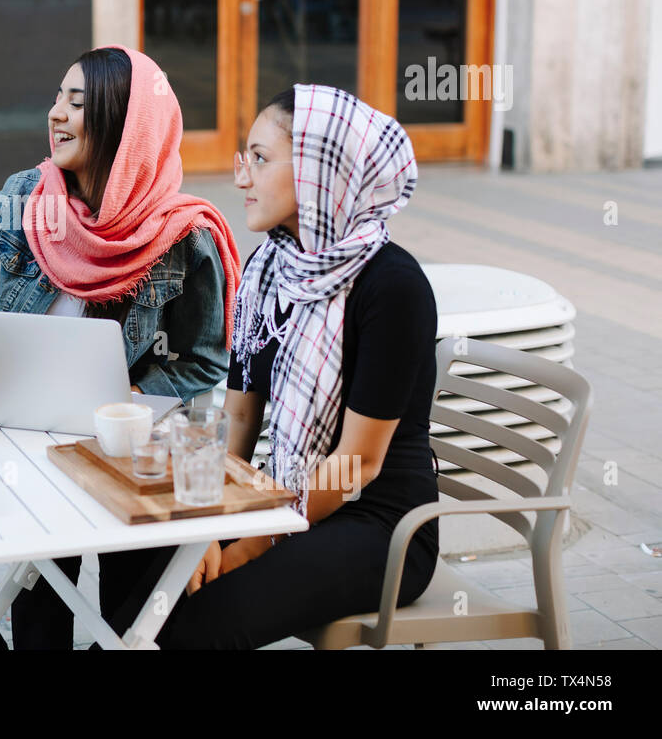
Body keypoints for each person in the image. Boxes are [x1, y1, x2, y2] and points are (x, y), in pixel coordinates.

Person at [0, 44, 242, 649]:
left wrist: (133, 396)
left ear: (124, 124)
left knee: (128, 614)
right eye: (56, 98)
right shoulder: (29, 195)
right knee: (40, 605)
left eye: (76, 103)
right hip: (25, 441)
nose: (56, 114)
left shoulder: (182, 232)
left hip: (125, 453)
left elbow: (204, 362)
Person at [104, 83, 441, 649]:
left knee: (197, 615)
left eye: (260, 159)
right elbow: (238, 425)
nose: (241, 178)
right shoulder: (270, 270)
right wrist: (211, 524)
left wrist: (251, 541)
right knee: (138, 562)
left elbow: (356, 465)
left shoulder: (393, 286)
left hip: (379, 527)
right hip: (283, 498)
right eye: (246, 158)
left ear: (319, 169)